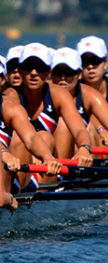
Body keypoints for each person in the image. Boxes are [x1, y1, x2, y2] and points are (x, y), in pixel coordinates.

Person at [5, 43, 93, 185]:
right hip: (19, 165)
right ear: (20, 71)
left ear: (48, 72)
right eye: (28, 67)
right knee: (20, 137)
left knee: (48, 135)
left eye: (40, 68)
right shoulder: (10, 97)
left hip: (49, 169)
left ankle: (55, 183)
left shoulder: (58, 94)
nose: (34, 72)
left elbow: (79, 130)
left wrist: (84, 148)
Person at [0, 57, 62, 209]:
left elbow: (31, 138)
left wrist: (47, 157)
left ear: (2, 81)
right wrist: (3, 151)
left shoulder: (10, 108)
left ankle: (11, 198)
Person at [50, 47, 108, 159]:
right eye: (58, 72)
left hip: (80, 153)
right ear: (51, 73)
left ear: (78, 74)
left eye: (69, 72)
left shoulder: (90, 94)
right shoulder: (37, 93)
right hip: (48, 153)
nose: (63, 77)